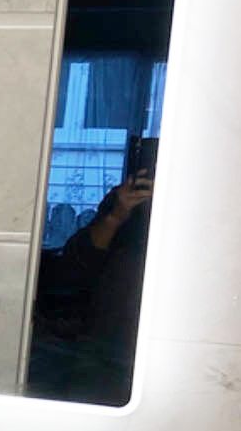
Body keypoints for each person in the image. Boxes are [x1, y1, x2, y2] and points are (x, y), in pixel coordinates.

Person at [27, 171, 153, 405]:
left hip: (141, 340)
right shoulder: (119, 207)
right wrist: (117, 214)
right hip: (97, 343)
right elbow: (76, 264)